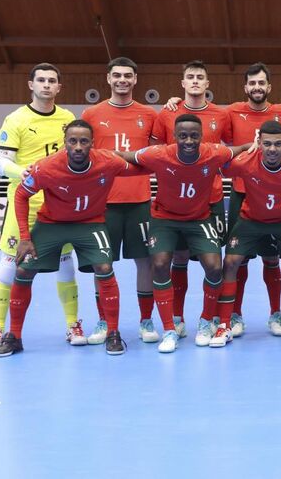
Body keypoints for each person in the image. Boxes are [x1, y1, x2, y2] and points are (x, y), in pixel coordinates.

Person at [0, 120, 150, 357]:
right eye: (72, 141)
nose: (78, 146)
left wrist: (168, 163)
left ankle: (113, 333)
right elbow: (21, 195)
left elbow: (139, 169)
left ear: (92, 144)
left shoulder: (108, 161)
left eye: (83, 141)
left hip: (90, 225)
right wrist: (25, 237)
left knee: (105, 267)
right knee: (23, 271)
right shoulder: (46, 167)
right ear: (65, 143)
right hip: (51, 225)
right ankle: (14, 335)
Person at [116, 114, 251, 350]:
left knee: (214, 266)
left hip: (199, 220)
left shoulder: (214, 152)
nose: (189, 140)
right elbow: (125, 156)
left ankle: (206, 321)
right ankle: (170, 328)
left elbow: (242, 148)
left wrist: (278, 147)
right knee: (159, 264)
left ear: (202, 136)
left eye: (194, 136)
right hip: (164, 219)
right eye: (183, 136)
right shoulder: (158, 154)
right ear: (175, 137)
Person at [0, 63, 84, 352]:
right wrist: (27, 174)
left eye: (52, 80)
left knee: (66, 266)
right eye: (41, 80)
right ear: (31, 85)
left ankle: (73, 323)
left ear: (59, 87)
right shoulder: (15, 119)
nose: (46, 85)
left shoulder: (67, 118)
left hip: (58, 204)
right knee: (9, 266)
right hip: (24, 204)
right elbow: (0, 163)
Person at [215, 120, 281, 347]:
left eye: (277, 144)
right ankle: (224, 324)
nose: (272, 149)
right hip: (250, 220)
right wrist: (243, 148)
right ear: (259, 144)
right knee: (231, 261)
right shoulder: (246, 162)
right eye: (267, 144)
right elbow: (220, 164)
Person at [81, 57, 159, 345]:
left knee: (145, 262)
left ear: (135, 79)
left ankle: (146, 320)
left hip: (139, 200)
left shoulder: (149, 114)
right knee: (102, 263)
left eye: (128, 75)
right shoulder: (92, 113)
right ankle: (104, 321)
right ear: (108, 78)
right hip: (104, 203)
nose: (122, 80)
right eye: (117, 75)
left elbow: (159, 152)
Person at [151, 60, 231, 337]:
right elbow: (156, 152)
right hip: (174, 202)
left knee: (214, 262)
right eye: (190, 77)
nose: (195, 81)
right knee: (178, 259)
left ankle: (217, 319)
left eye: (200, 77)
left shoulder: (222, 115)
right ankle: (176, 316)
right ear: (182, 83)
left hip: (212, 199)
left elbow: (232, 147)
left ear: (208, 84)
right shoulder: (166, 113)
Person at [224, 63, 281, 337]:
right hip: (242, 193)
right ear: (245, 88)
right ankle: (235, 315)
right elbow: (213, 131)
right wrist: (176, 100)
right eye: (252, 83)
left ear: (269, 87)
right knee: (238, 258)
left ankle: (275, 314)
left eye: (261, 83)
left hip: (272, 193)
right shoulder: (231, 112)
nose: (257, 87)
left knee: (271, 258)